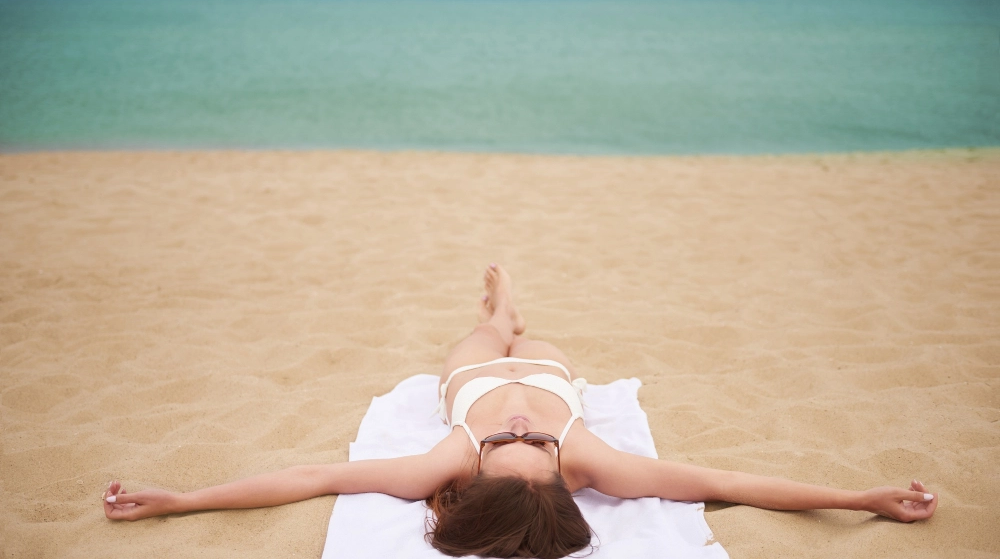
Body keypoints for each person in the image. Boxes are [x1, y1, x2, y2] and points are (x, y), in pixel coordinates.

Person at [103, 264, 937, 558]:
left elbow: (313, 476)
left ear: (471, 479)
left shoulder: (450, 460)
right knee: (519, 337)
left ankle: (498, 315)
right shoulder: (587, 460)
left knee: (478, 341)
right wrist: (861, 498)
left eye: (518, 439)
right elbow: (728, 481)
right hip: (556, 368)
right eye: (526, 439)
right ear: (558, 471)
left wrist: (180, 500)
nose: (518, 427)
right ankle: (510, 314)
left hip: (462, 377)